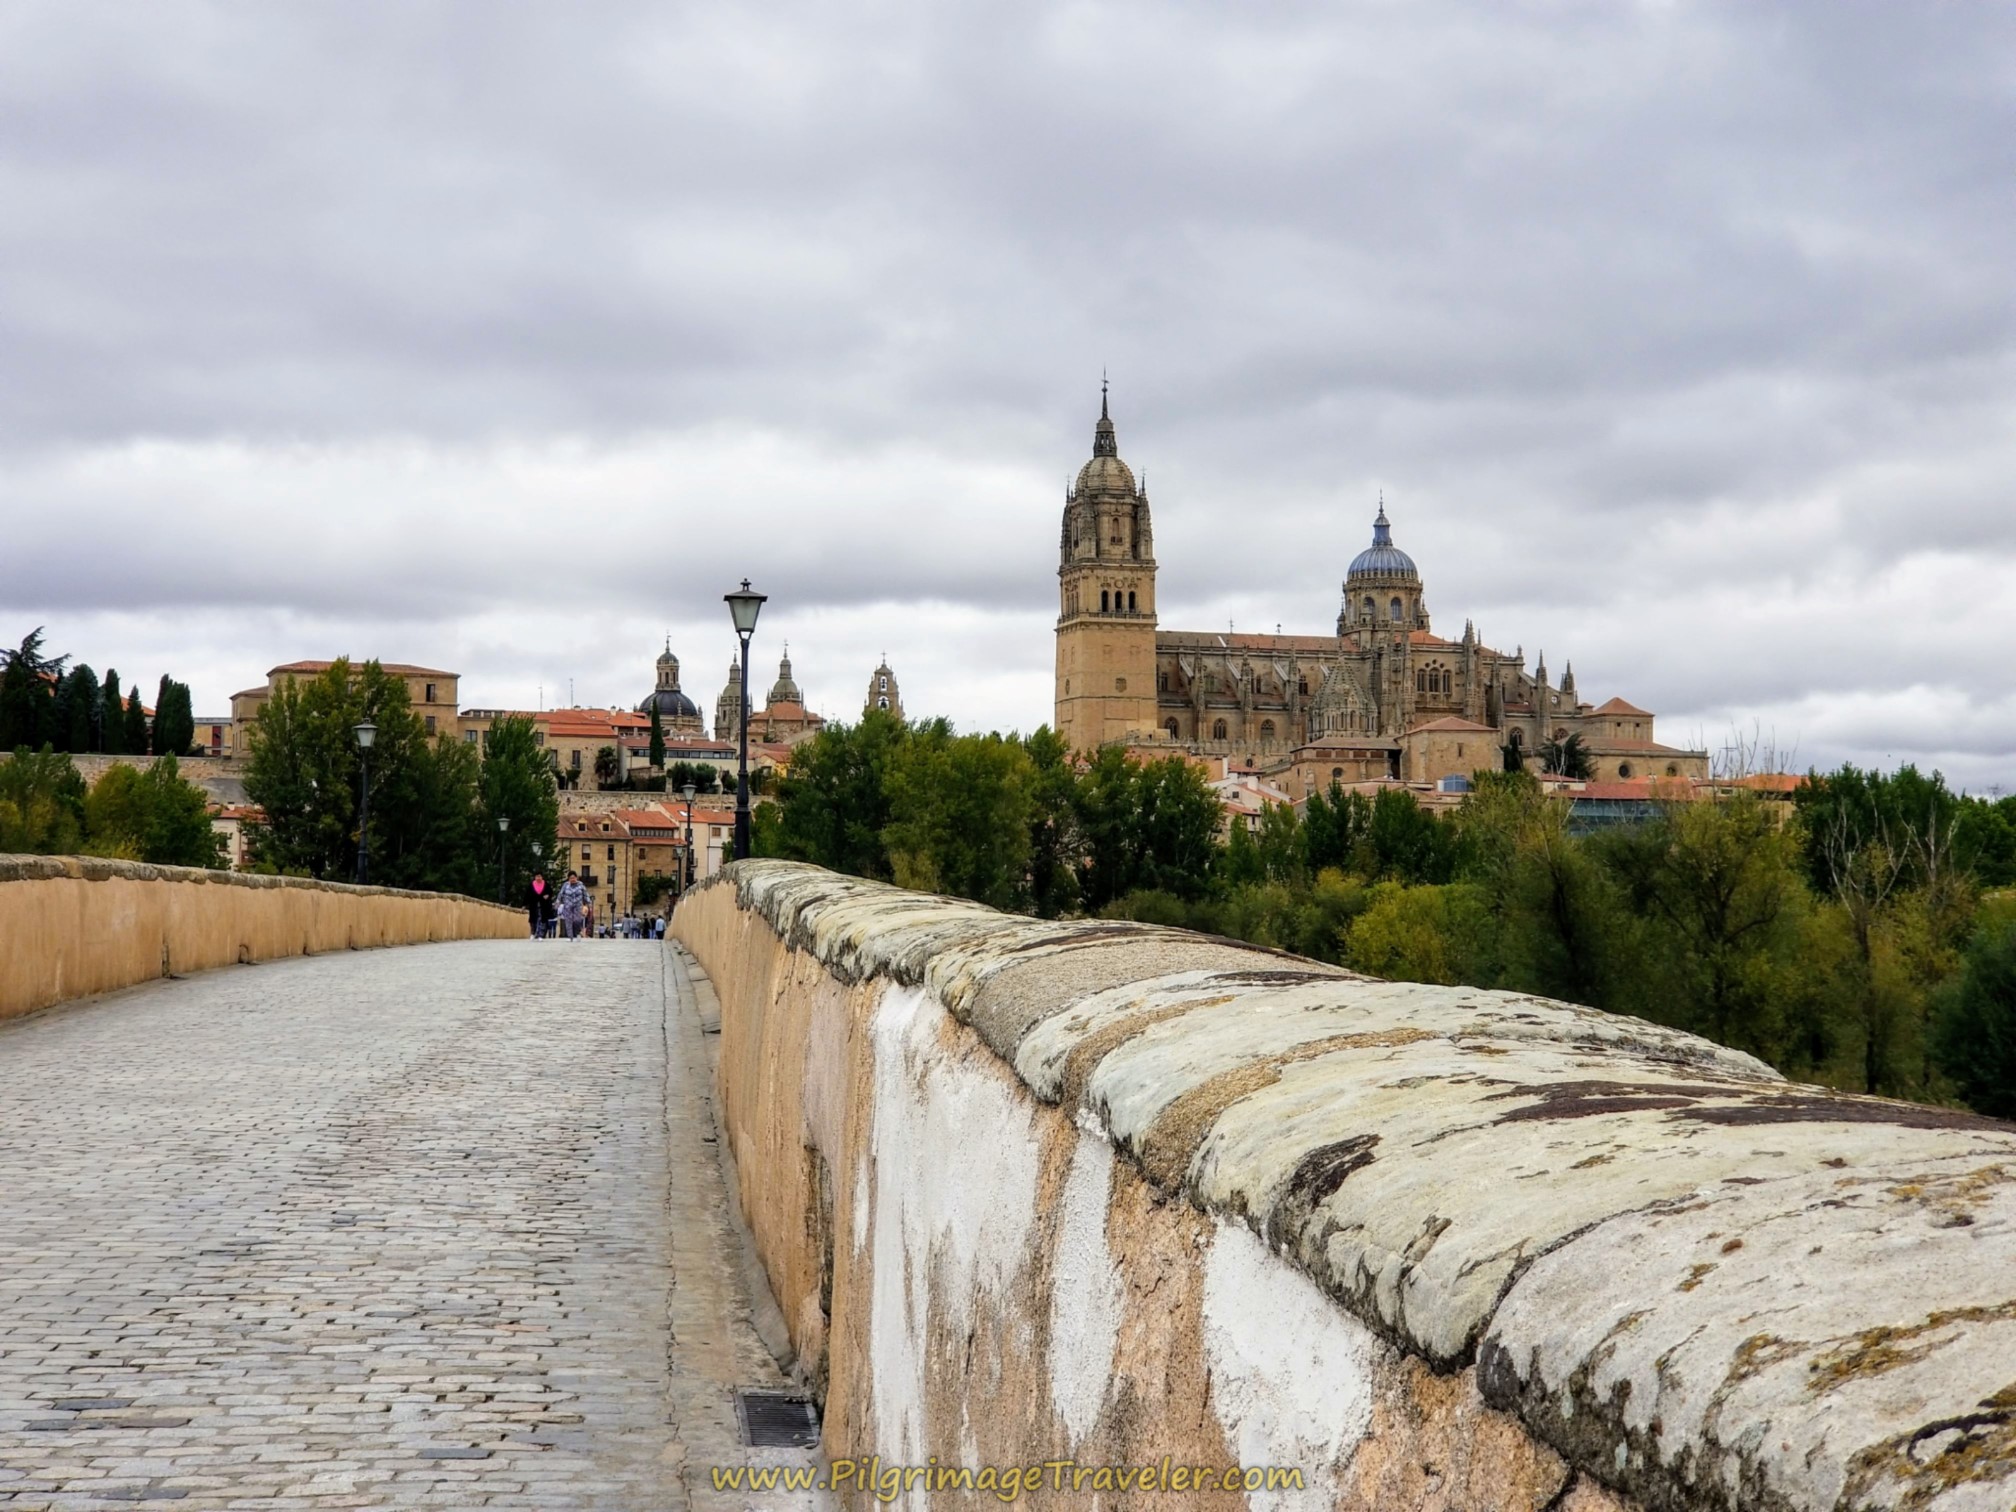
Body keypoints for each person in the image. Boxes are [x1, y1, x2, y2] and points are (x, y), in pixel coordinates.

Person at [557, 871, 589, 940]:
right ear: (568, 879)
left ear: (576, 878)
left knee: (577, 920)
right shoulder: (565, 885)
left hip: (578, 905)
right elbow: (560, 894)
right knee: (568, 921)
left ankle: (577, 933)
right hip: (568, 906)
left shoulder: (580, 885)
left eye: (574, 878)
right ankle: (570, 936)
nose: (572, 879)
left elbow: (585, 894)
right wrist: (558, 901)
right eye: (571, 878)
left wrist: (588, 902)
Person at [527, 874, 553, 940]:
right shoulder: (531, 885)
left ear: (542, 877)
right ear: (535, 877)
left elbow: (550, 892)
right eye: (537, 876)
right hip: (534, 905)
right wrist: (524, 904)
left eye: (540, 876)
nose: (538, 878)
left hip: (543, 905)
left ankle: (540, 935)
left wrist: (548, 896)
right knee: (533, 920)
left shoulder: (546, 884)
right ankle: (533, 933)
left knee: (542, 920)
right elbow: (527, 894)